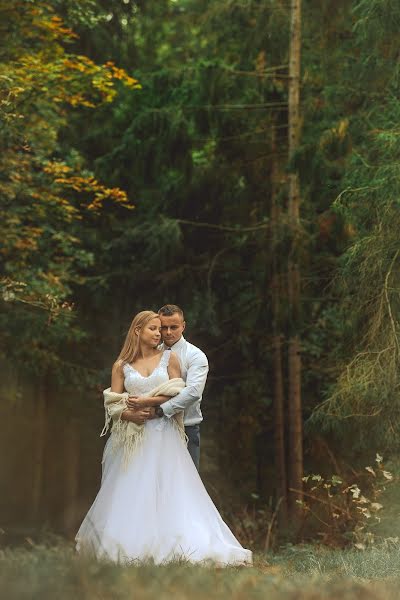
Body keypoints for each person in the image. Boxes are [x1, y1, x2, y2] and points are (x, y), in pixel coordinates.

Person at [75, 310, 252, 566]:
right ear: (137, 331)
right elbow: (112, 404)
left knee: (171, 489)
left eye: (164, 328)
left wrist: (150, 403)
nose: (161, 333)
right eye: (155, 328)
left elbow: (180, 393)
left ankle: (177, 542)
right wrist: (128, 415)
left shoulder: (173, 358)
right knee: (131, 489)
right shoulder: (121, 366)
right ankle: (128, 544)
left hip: (164, 433)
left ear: (182, 326)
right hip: (133, 437)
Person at [128, 304, 207, 471]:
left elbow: (192, 393)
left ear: (183, 326)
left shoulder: (195, 356)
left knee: (185, 489)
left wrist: (159, 410)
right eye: (164, 327)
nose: (168, 332)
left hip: (186, 429)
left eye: (174, 327)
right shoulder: (151, 352)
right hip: (149, 429)